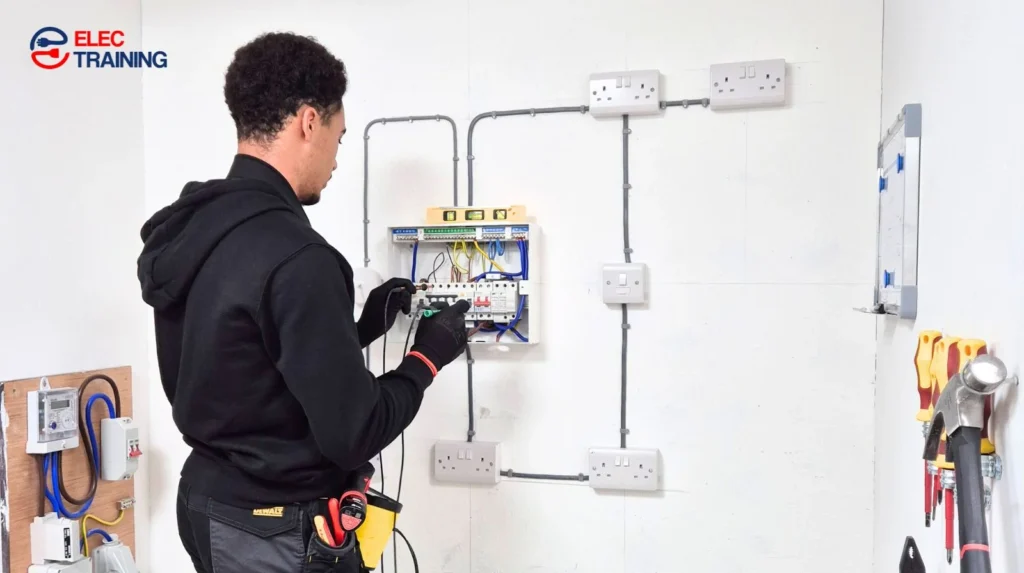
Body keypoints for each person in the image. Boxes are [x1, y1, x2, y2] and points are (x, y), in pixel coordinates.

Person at [136, 32, 469, 572]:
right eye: (338, 137)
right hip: (270, 529)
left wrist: (357, 328)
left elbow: (241, 354)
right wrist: (428, 356)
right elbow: (356, 431)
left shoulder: (196, 227)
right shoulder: (299, 257)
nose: (337, 159)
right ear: (308, 122)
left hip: (205, 503)